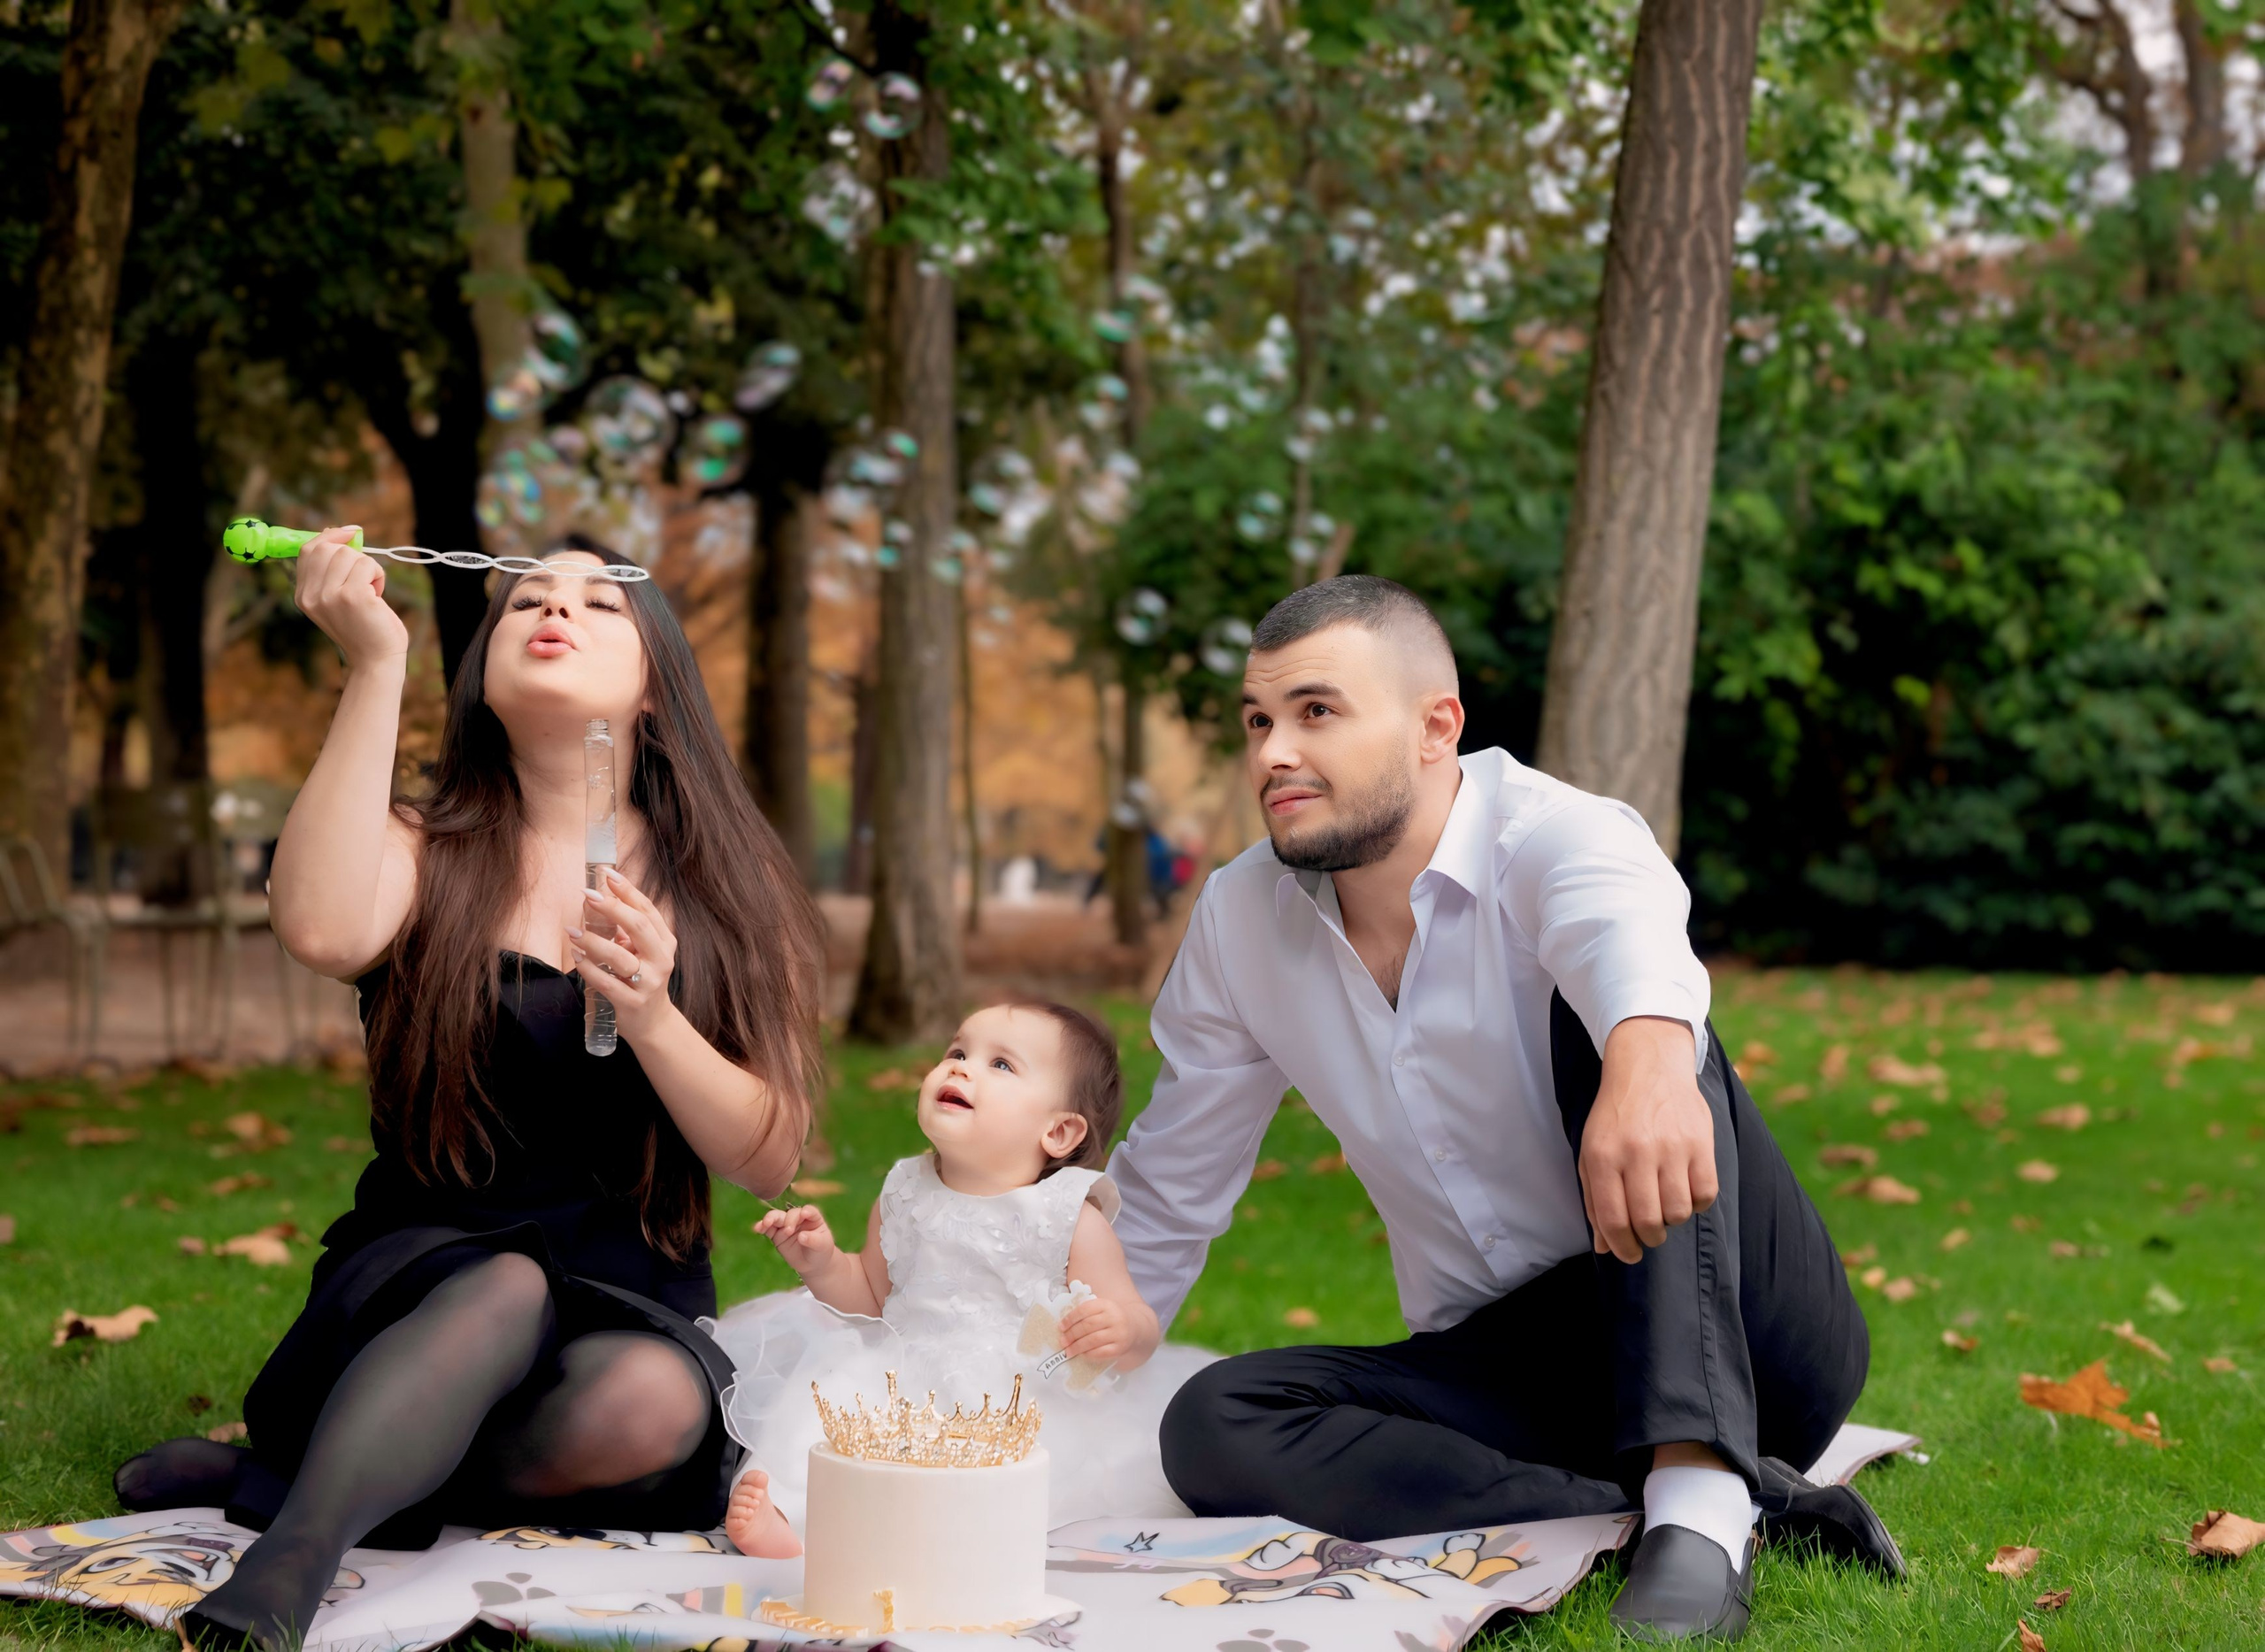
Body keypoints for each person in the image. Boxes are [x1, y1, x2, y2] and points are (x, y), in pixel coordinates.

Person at [1109, 576, 1899, 1643]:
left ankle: (1704, 1503)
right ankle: (1647, 1511)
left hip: (1744, 1329)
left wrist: (1648, 1064)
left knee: (1628, 1025)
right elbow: (1171, 1179)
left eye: (1316, 711)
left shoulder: (1549, 832)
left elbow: (1632, 938)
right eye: (1258, 722)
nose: (1271, 755)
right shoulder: (1242, 918)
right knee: (1213, 1423)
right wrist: (1076, 1339)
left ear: (1438, 727)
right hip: (1516, 1363)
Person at [111, 527, 825, 1649]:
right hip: (424, 1276)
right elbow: (317, 926)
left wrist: (651, 1013)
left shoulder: (729, 893)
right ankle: (296, 1550)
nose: (555, 611)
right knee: (503, 1284)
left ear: (656, 689)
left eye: (600, 605)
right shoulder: (420, 847)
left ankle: (286, 1476)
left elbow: (768, 1152)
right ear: (482, 674)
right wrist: (375, 663)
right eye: (526, 599)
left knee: (662, 1400)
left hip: (627, 1295)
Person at [713, 1000, 1217, 1553]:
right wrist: (823, 1263)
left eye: (1001, 1065)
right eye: (957, 1051)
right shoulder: (905, 1190)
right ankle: (798, 1521)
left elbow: (1138, 1323)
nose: (959, 1067)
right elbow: (873, 1299)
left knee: (1007, 1486)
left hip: (1017, 1400)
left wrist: (1119, 1328)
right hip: (903, 1378)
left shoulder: (1069, 1218)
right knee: (827, 1408)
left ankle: (929, 1543)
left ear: (1059, 1132)